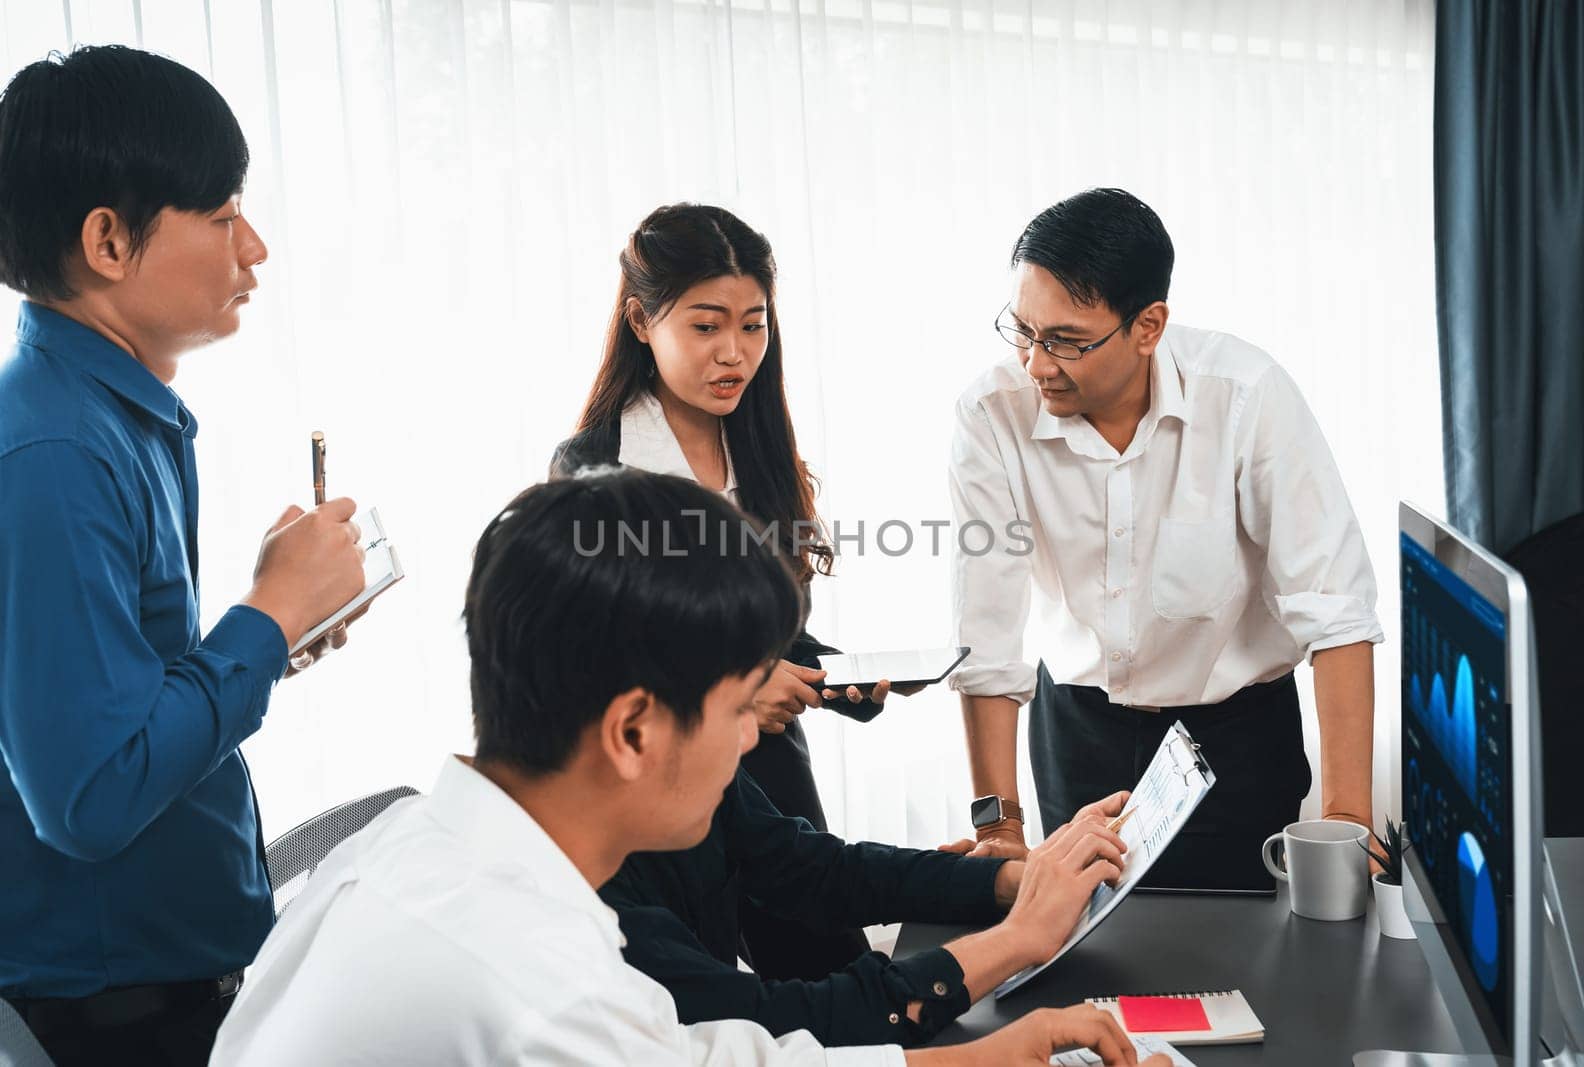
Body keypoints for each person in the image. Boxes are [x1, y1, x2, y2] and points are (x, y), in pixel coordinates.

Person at [210, 469, 1167, 1067]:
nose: (752, 740)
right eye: (738, 707)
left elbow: (694, 1055)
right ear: (634, 730)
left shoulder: (420, 849)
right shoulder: (532, 982)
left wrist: (990, 1058)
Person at [0, 46, 369, 1065]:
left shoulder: (110, 417)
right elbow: (88, 796)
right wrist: (265, 616)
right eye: (220, 212)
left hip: (166, 982)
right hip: (112, 1014)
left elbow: (111, 698)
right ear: (108, 240)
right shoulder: (54, 451)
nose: (253, 247)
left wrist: (275, 630)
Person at [945, 188, 1383, 890]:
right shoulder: (991, 413)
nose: (1035, 363)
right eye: (1023, 330)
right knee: (1088, 958)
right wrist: (998, 826)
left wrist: (1348, 821)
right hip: (1080, 732)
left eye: (1065, 340)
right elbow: (987, 634)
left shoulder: (1245, 395)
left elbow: (1334, 610)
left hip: (1237, 736)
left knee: (1252, 960)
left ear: (1148, 326)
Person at [551, 202, 900, 977]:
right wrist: (744, 689)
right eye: (706, 326)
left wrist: (835, 675)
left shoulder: (761, 445)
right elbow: (601, 659)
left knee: (825, 987)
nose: (734, 353)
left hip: (770, 786)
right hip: (658, 797)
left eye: (753, 325)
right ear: (642, 321)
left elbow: (763, 632)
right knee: (699, 1015)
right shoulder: (591, 470)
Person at [602, 771, 1134, 1047]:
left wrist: (1011, 879)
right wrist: (1019, 937)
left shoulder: (689, 771)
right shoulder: (593, 914)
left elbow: (816, 869)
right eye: (735, 707)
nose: (749, 737)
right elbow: (763, 1024)